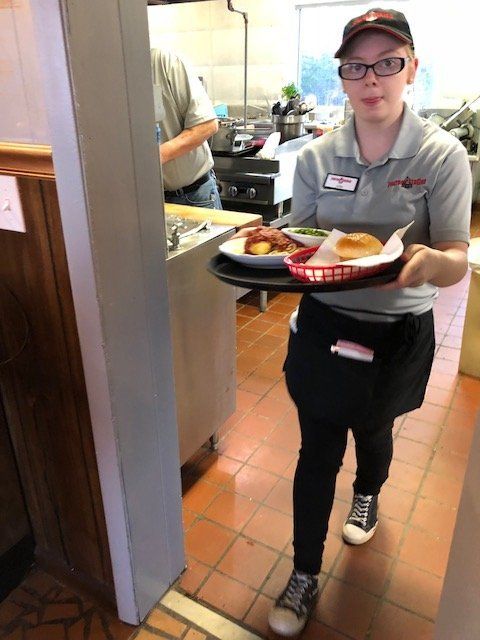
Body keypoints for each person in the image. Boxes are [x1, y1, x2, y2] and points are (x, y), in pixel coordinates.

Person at [267, 8, 471, 637]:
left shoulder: (440, 156)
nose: (371, 78)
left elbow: (457, 258)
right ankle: (304, 571)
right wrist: (272, 249)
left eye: (387, 62)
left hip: (397, 333)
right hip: (326, 324)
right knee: (316, 449)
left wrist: (431, 263)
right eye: (355, 67)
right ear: (342, 78)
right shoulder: (316, 156)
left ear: (411, 68)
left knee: (374, 429)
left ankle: (368, 493)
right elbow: (301, 241)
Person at [150, 48, 222, 209]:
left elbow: (207, 125)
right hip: (151, 200)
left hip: (194, 195)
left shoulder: (164, 61)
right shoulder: (111, 77)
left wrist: (153, 158)